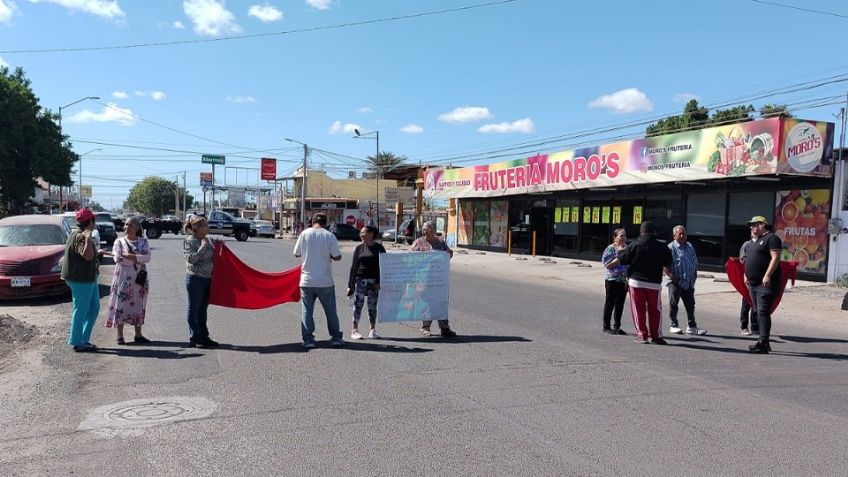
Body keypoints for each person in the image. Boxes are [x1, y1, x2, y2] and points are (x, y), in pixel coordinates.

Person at [617, 221, 672, 345]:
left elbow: (624, 261)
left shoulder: (634, 245)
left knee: (638, 309)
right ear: (654, 232)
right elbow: (668, 261)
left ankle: (642, 335)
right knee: (655, 310)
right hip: (654, 283)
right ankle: (656, 336)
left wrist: (621, 252)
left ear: (641, 231)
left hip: (636, 282)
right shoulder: (662, 246)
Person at [294, 213, 344, 348]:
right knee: (330, 311)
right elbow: (337, 256)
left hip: (307, 280)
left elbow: (296, 253)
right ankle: (335, 338)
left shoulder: (304, 234)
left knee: (307, 311)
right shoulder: (329, 236)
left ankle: (308, 339)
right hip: (325, 281)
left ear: (312, 221)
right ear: (325, 222)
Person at [105, 216, 152, 345]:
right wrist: (137, 258)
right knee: (121, 303)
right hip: (123, 277)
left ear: (137, 228)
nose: (127, 227)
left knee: (139, 303)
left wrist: (130, 256)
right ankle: (120, 335)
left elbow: (147, 257)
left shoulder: (143, 241)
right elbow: (118, 259)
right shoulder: (119, 241)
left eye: (130, 225)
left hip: (139, 277)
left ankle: (138, 334)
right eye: (126, 224)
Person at [62, 208, 101, 352]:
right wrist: (88, 238)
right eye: (94, 220)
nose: (95, 223)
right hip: (81, 279)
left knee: (93, 308)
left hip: (88, 277)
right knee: (81, 310)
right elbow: (87, 256)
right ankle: (77, 342)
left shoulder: (78, 234)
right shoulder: (80, 236)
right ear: (90, 222)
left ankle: (83, 339)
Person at [410, 221, 456, 337]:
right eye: (424, 230)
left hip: (439, 279)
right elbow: (410, 257)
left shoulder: (440, 242)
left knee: (441, 302)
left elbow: (448, 254)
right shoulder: (419, 242)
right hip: (424, 279)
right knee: (427, 303)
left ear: (434, 230)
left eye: (428, 229)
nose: (426, 232)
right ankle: (425, 327)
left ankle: (445, 328)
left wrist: (449, 253)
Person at [744, 216, 782, 354]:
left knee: (763, 312)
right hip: (753, 284)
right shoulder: (756, 241)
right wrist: (746, 275)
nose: (752, 227)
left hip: (764, 284)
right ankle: (762, 341)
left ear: (762, 224)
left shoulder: (771, 238)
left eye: (754, 224)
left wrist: (768, 275)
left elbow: (775, 257)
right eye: (751, 225)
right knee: (757, 312)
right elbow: (749, 260)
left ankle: (763, 342)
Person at [183, 215, 219, 348]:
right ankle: (195, 337)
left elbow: (214, 257)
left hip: (208, 279)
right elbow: (191, 259)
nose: (207, 227)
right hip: (195, 279)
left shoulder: (208, 240)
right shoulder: (190, 241)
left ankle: (204, 336)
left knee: (202, 310)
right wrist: (203, 247)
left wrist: (220, 249)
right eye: (205, 225)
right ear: (196, 228)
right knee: (194, 309)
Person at [347, 225, 386, 340]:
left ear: (371, 234)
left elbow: (384, 266)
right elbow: (354, 266)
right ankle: (354, 330)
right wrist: (350, 285)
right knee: (358, 305)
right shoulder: (359, 248)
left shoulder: (379, 248)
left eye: (363, 232)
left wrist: (379, 281)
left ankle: (372, 330)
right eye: (360, 233)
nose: (361, 235)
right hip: (360, 280)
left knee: (372, 306)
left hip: (374, 281)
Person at [667, 225, 707, 336]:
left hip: (688, 281)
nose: (682, 235)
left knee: (690, 304)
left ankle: (692, 326)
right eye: (679, 234)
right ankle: (673, 324)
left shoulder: (689, 246)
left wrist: (694, 276)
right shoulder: (671, 248)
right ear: (674, 235)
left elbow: (694, 261)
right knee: (674, 303)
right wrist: (672, 276)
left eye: (684, 233)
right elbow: (665, 265)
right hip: (676, 281)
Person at [601, 228, 628, 335]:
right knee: (610, 302)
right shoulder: (610, 249)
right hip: (612, 280)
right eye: (621, 236)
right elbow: (607, 264)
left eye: (625, 236)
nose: (623, 238)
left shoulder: (627, 248)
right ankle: (606, 326)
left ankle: (617, 326)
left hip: (623, 280)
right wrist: (619, 257)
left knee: (620, 304)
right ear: (615, 237)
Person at [739, 228, 759, 336]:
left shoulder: (761, 244)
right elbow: (743, 261)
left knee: (755, 304)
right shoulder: (747, 245)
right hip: (748, 278)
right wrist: (745, 275)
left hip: (757, 278)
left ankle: (755, 326)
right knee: (746, 303)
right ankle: (744, 326)